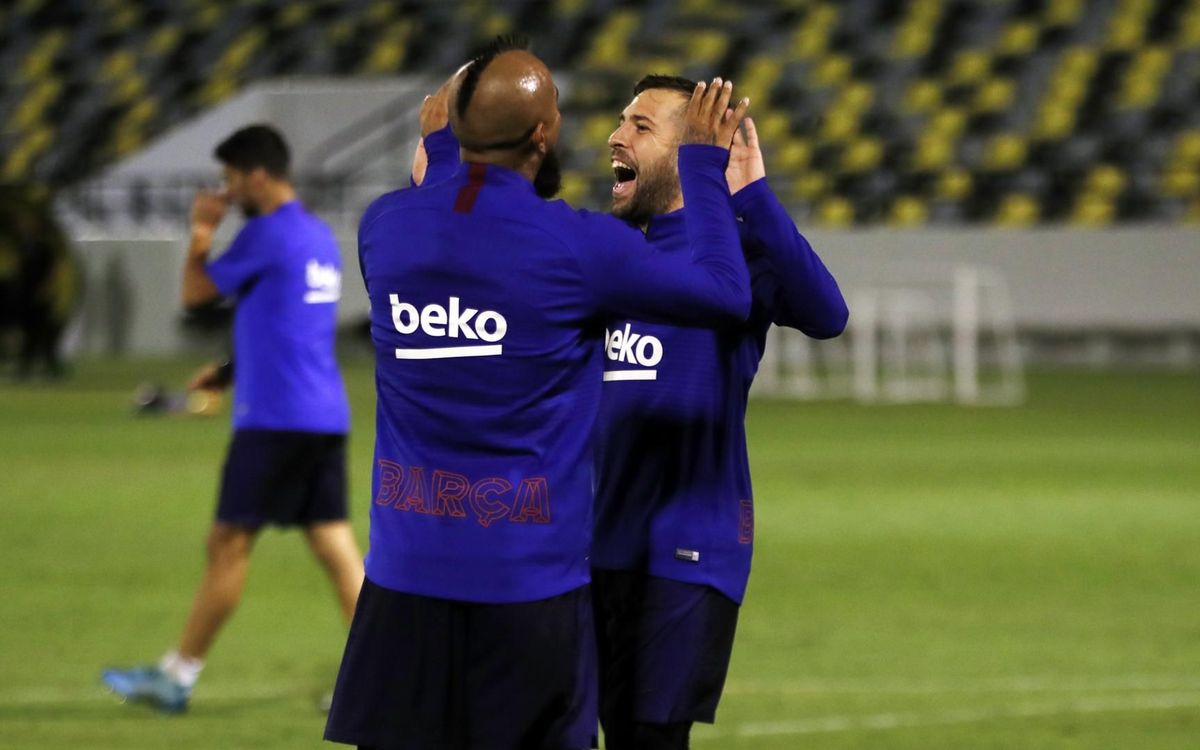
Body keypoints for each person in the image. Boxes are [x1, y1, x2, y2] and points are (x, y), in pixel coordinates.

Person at [323, 36, 750, 750]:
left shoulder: (386, 228)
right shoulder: (579, 247)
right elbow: (725, 294)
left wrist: (446, 148)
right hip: (528, 595)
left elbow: (456, 215)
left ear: (446, 126)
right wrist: (702, 166)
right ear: (544, 135)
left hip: (402, 589)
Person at [590, 75, 848, 748]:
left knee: (651, 737)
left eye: (641, 127)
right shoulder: (610, 254)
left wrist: (753, 194)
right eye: (620, 120)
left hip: (690, 545)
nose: (615, 137)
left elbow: (827, 315)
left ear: (693, 149)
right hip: (598, 542)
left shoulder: (733, 254)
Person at [101, 124, 364, 713]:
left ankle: (176, 677)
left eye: (231, 179)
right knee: (334, 544)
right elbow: (289, 325)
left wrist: (201, 230)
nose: (226, 191)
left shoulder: (266, 233)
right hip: (321, 414)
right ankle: (383, 678)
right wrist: (227, 371)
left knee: (228, 542)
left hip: (276, 420)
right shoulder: (317, 235)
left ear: (257, 176)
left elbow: (197, 294)